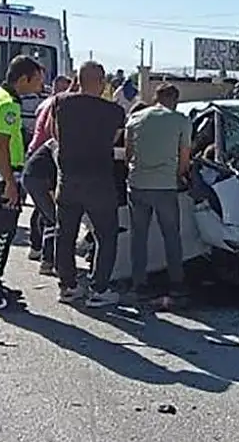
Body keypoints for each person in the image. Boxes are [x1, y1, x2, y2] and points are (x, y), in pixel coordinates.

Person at [52, 61, 127, 307]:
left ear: (77, 79)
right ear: (103, 82)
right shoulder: (114, 111)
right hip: (99, 180)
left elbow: (56, 135)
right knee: (106, 235)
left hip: (68, 178)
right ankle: (99, 288)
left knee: (65, 235)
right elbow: (114, 139)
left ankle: (68, 287)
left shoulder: (61, 102)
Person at [0, 55, 44, 312]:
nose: (39, 87)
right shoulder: (9, 105)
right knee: (3, 235)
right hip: (2, 178)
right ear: (23, 78)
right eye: (37, 81)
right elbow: (1, 145)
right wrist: (10, 184)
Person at [124, 83, 191, 297]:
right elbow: (184, 157)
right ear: (175, 99)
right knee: (171, 235)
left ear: (156, 97)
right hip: (165, 186)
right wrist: (179, 176)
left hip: (138, 184)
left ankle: (139, 283)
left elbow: (128, 155)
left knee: (139, 237)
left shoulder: (135, 118)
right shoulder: (180, 120)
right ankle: (176, 283)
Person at [25, 73, 72, 261]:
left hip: (35, 154)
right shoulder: (59, 105)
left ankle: (35, 246)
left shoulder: (44, 103)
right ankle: (47, 257)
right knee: (52, 213)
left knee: (41, 207)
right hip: (48, 158)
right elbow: (55, 132)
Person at [22, 137, 60, 276]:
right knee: (54, 220)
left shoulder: (55, 141)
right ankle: (47, 262)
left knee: (42, 212)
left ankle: (36, 248)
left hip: (30, 176)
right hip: (39, 179)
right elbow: (53, 175)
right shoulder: (60, 145)